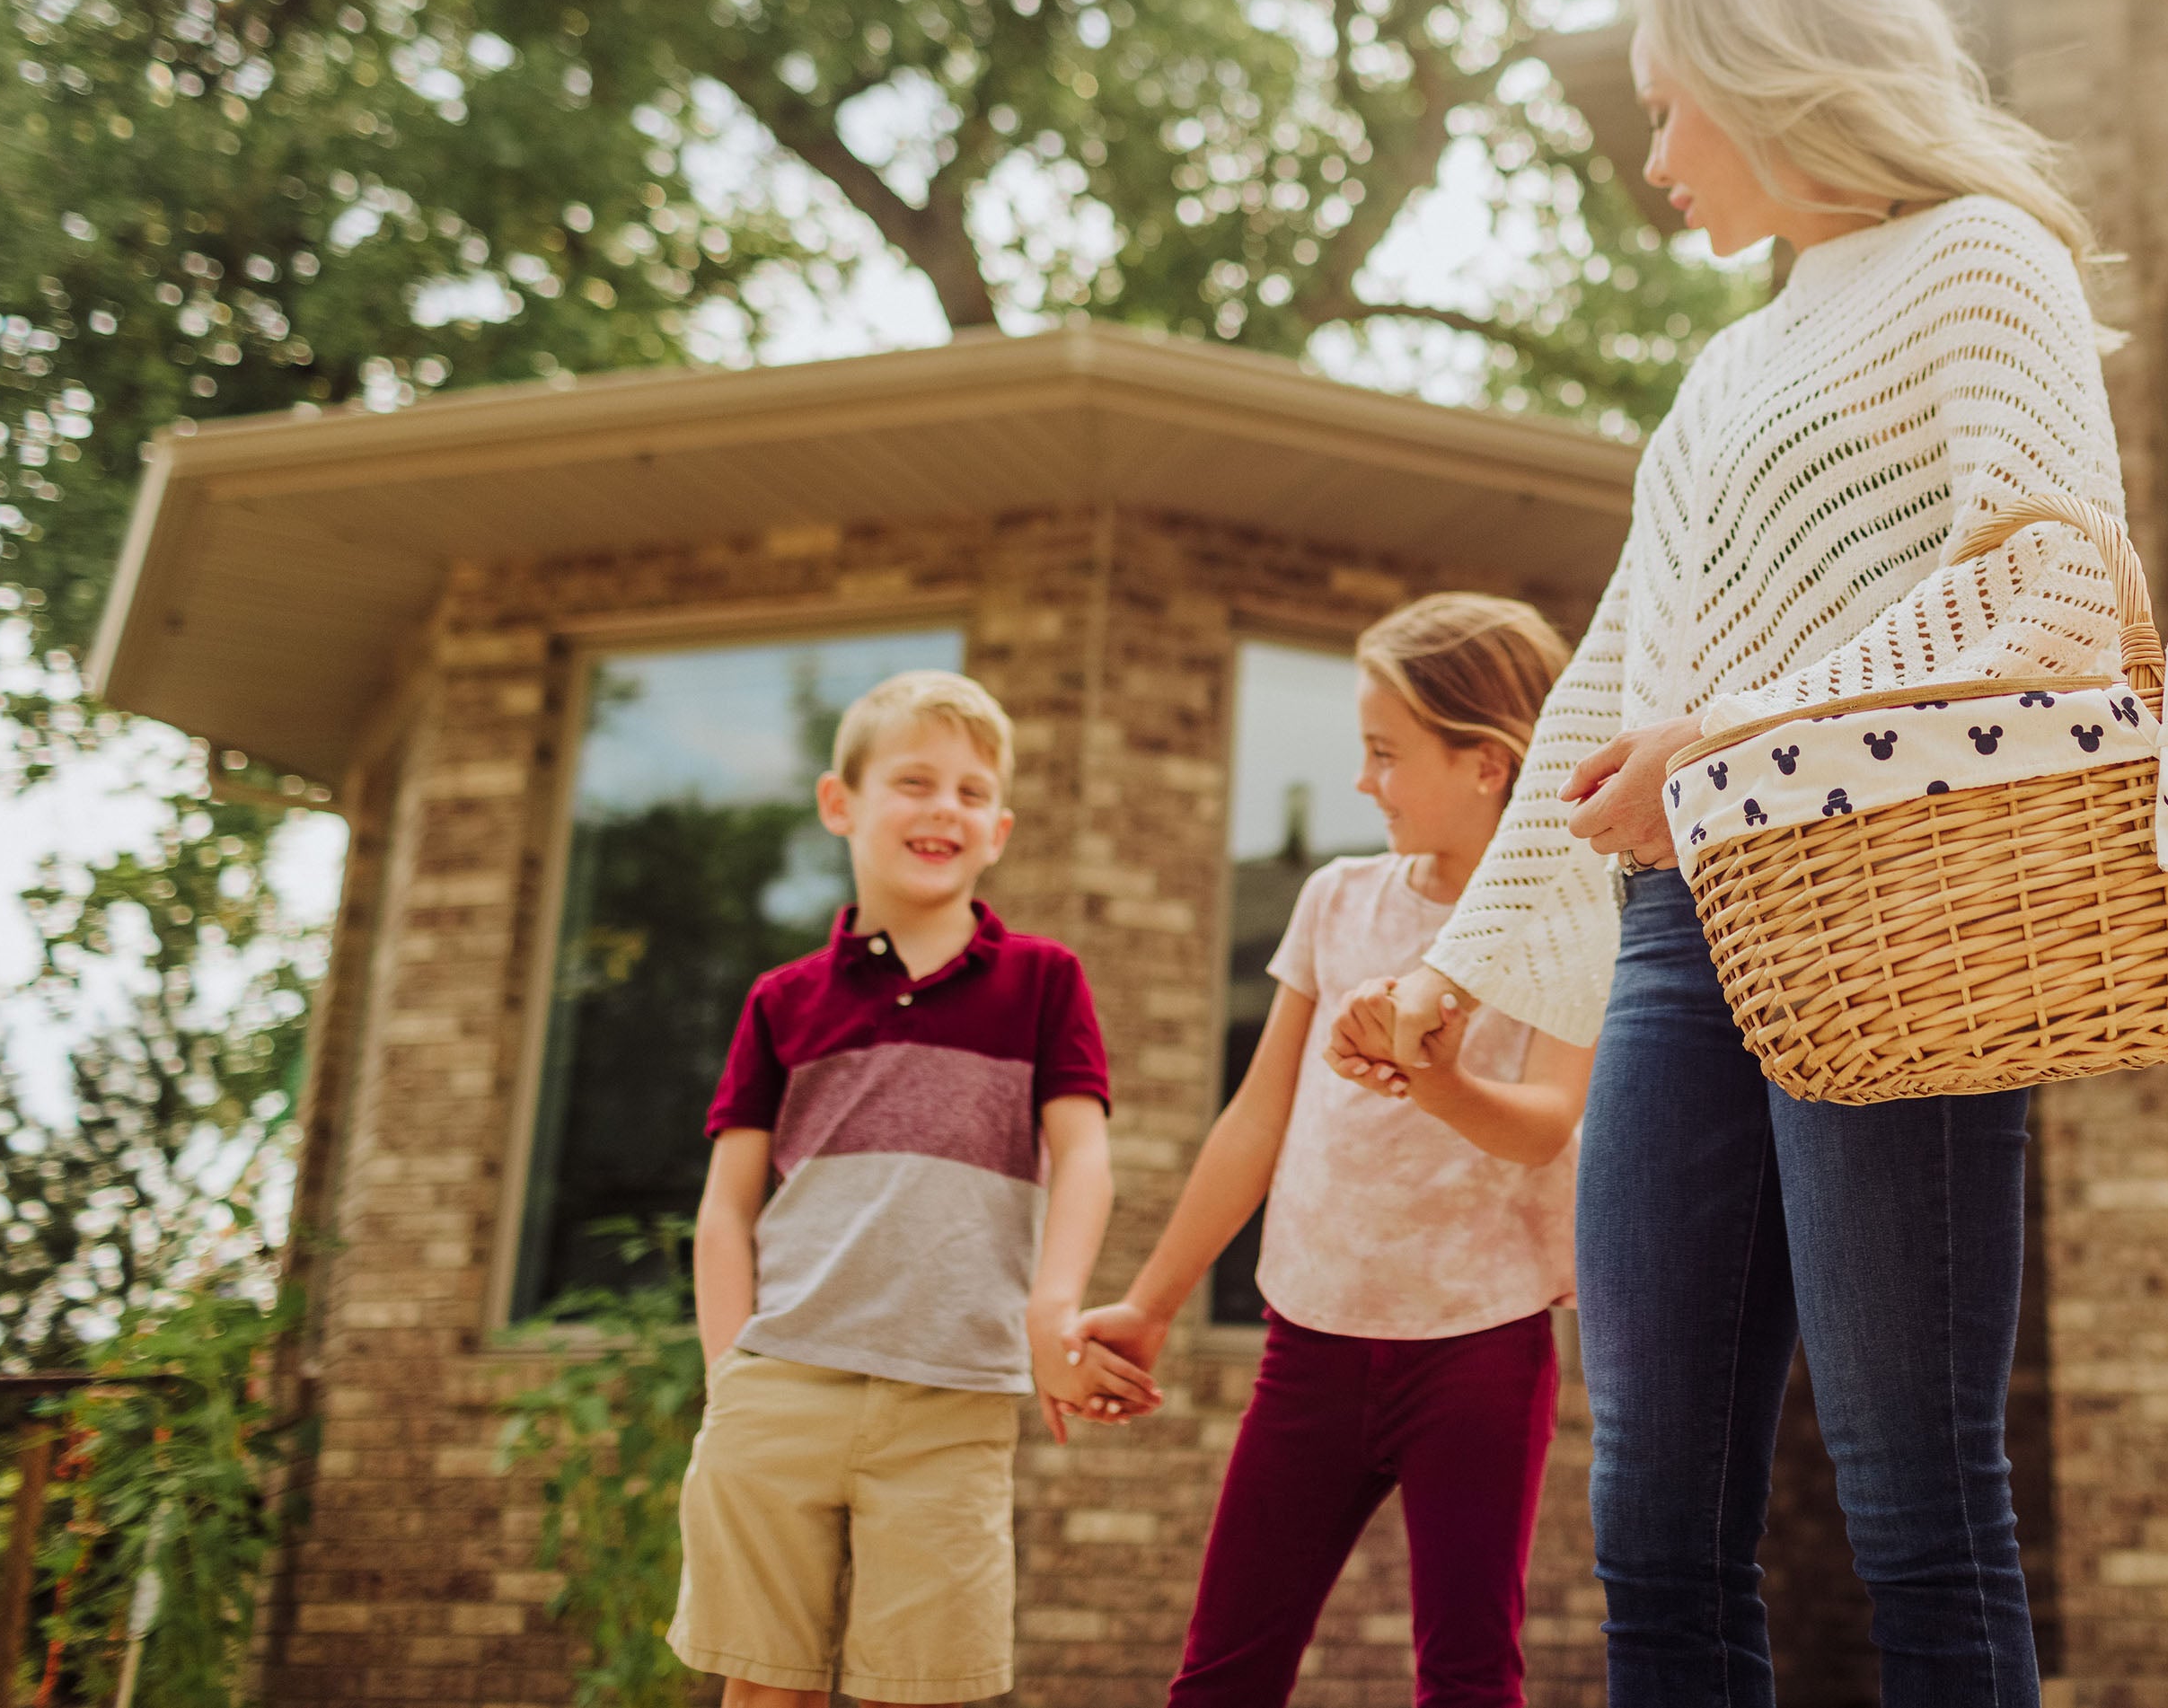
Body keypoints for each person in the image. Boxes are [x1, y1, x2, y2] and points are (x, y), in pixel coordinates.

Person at [1327, 0, 2125, 1706]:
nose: (1659, 155)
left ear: (1780, 82)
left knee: (1921, 1509)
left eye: (1674, 106)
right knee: (1654, 1528)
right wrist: (1453, 969)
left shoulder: (1984, 259)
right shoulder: (1727, 363)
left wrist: (1741, 736)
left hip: (1892, 910)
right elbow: (1618, 673)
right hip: (1686, 935)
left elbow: (2056, 593)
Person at [1059, 594, 1593, 1708]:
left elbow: (1548, 1125)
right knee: (1219, 1678)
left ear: (1488, 763)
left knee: (1467, 1679)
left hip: (1479, 1352)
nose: (1365, 782)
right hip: (1308, 1345)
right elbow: (1256, 1122)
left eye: (1387, 755)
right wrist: (1151, 1306)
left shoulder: (1564, 915)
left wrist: (1438, 1083)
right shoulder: (1334, 899)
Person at [670, 669, 1143, 1707]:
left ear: (1000, 828)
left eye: (972, 792)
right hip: (781, 1384)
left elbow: (1087, 1157)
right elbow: (726, 1207)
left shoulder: (1044, 980)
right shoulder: (782, 1000)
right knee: (765, 1687)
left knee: (921, 1689)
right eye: (916, 780)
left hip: (953, 1398)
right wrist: (729, 1377)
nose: (945, 808)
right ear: (841, 804)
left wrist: (1050, 1311)